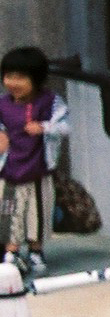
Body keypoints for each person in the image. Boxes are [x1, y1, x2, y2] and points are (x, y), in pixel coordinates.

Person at [1, 46, 71, 275]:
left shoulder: (50, 102)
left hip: (38, 170)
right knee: (9, 212)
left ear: (36, 78)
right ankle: (11, 253)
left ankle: (35, 251)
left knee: (37, 213)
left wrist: (44, 127)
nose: (13, 82)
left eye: (20, 77)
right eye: (9, 76)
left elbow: (65, 126)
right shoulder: (3, 104)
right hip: (9, 170)